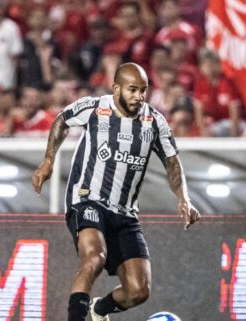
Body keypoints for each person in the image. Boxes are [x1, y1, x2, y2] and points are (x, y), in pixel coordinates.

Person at [32, 62, 201, 321]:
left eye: (143, 90)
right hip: (87, 199)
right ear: (116, 88)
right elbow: (61, 121)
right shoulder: (94, 108)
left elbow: (172, 162)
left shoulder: (154, 121)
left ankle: (99, 310)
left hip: (125, 213)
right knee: (94, 257)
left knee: (138, 291)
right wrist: (48, 160)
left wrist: (184, 199)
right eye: (132, 90)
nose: (139, 96)